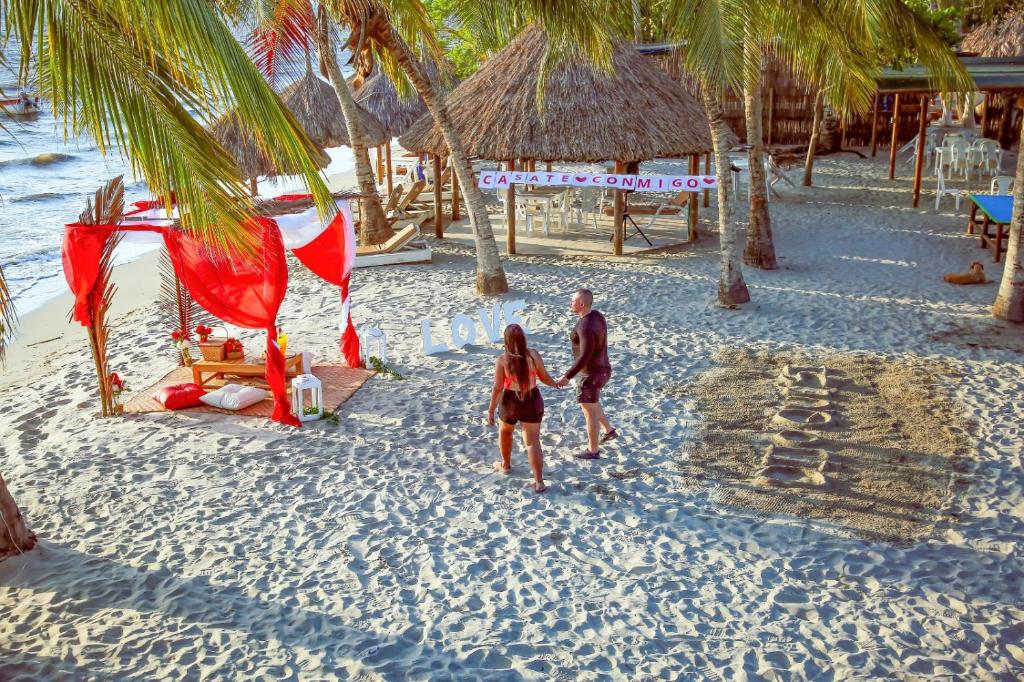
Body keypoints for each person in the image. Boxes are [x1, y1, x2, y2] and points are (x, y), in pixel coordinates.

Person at [487, 324, 559, 493]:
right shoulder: (533, 355)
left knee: (505, 432)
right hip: (532, 400)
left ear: (506, 341)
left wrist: (491, 410)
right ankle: (539, 482)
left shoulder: (502, 360)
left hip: (510, 401)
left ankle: (505, 465)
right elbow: (544, 377)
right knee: (532, 441)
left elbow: (497, 388)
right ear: (523, 339)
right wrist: (555, 383)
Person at [555, 288, 615, 459]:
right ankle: (609, 431)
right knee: (592, 404)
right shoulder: (597, 316)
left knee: (589, 412)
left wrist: (567, 376)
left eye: (573, 301)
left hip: (590, 375)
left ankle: (593, 451)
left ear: (581, 304)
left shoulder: (585, 326)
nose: (570, 303)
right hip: (603, 370)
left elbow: (585, 355)